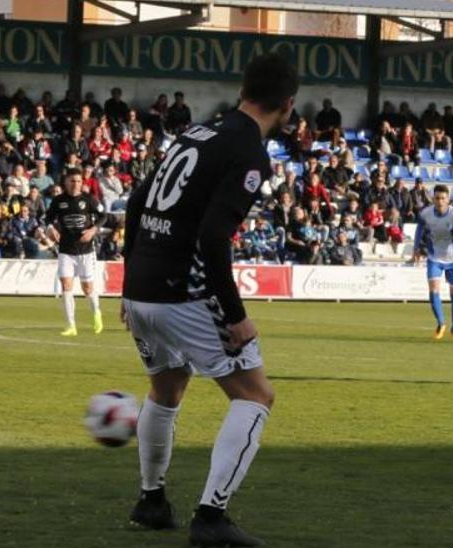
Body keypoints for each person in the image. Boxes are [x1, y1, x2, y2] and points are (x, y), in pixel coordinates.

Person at [119, 52, 299, 547]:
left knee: (167, 389)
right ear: (287, 104)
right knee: (256, 395)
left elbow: (138, 201)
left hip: (143, 291)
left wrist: (129, 280)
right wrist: (235, 316)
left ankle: (152, 500)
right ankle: (211, 517)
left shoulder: (196, 132)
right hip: (184, 294)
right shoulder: (249, 152)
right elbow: (214, 237)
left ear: (243, 91)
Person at [46, 168, 104, 336]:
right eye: (72, 181)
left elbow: (104, 216)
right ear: (66, 182)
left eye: (79, 181)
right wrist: (50, 228)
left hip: (86, 251)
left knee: (87, 289)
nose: (76, 184)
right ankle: (71, 325)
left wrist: (93, 230)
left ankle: (96, 313)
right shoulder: (58, 201)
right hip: (66, 250)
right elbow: (48, 217)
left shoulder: (88, 199)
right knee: (66, 285)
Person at [411, 184, 453, 341]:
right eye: (437, 198)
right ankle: (441, 323)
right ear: (433, 198)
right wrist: (416, 247)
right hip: (434, 258)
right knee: (433, 291)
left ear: (448, 199)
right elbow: (419, 229)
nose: (440, 201)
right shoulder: (426, 214)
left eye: (443, 198)